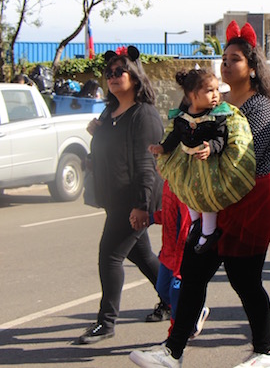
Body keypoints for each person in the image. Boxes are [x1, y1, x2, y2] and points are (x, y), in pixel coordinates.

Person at [129, 21, 270, 368]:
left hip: (250, 200)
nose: (226, 64)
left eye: (235, 59)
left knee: (245, 281)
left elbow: (248, 157)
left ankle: (264, 353)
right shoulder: (215, 101)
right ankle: (172, 351)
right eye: (224, 58)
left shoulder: (260, 107)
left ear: (252, 67)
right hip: (212, 199)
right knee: (193, 274)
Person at [78, 45, 165, 344]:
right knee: (142, 255)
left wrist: (141, 205)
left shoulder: (144, 115)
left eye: (120, 72)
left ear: (135, 77)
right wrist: (97, 133)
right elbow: (110, 150)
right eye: (109, 73)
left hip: (133, 198)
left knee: (110, 256)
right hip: (114, 197)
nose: (113, 77)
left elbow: (146, 164)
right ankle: (176, 301)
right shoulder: (110, 112)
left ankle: (106, 323)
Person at [149, 68, 255, 255]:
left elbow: (220, 139)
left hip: (207, 164)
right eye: (209, 90)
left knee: (206, 197)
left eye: (216, 90)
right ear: (192, 95)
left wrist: (210, 149)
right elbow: (175, 137)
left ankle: (208, 233)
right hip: (186, 162)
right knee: (187, 191)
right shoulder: (182, 116)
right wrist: (162, 148)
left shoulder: (217, 116)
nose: (216, 95)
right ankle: (195, 223)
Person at [153, 181, 210, 339]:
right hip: (168, 251)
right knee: (163, 289)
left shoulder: (188, 183)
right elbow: (168, 214)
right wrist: (151, 218)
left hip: (184, 253)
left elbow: (191, 222)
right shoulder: (168, 183)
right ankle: (195, 312)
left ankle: (175, 338)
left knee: (176, 294)